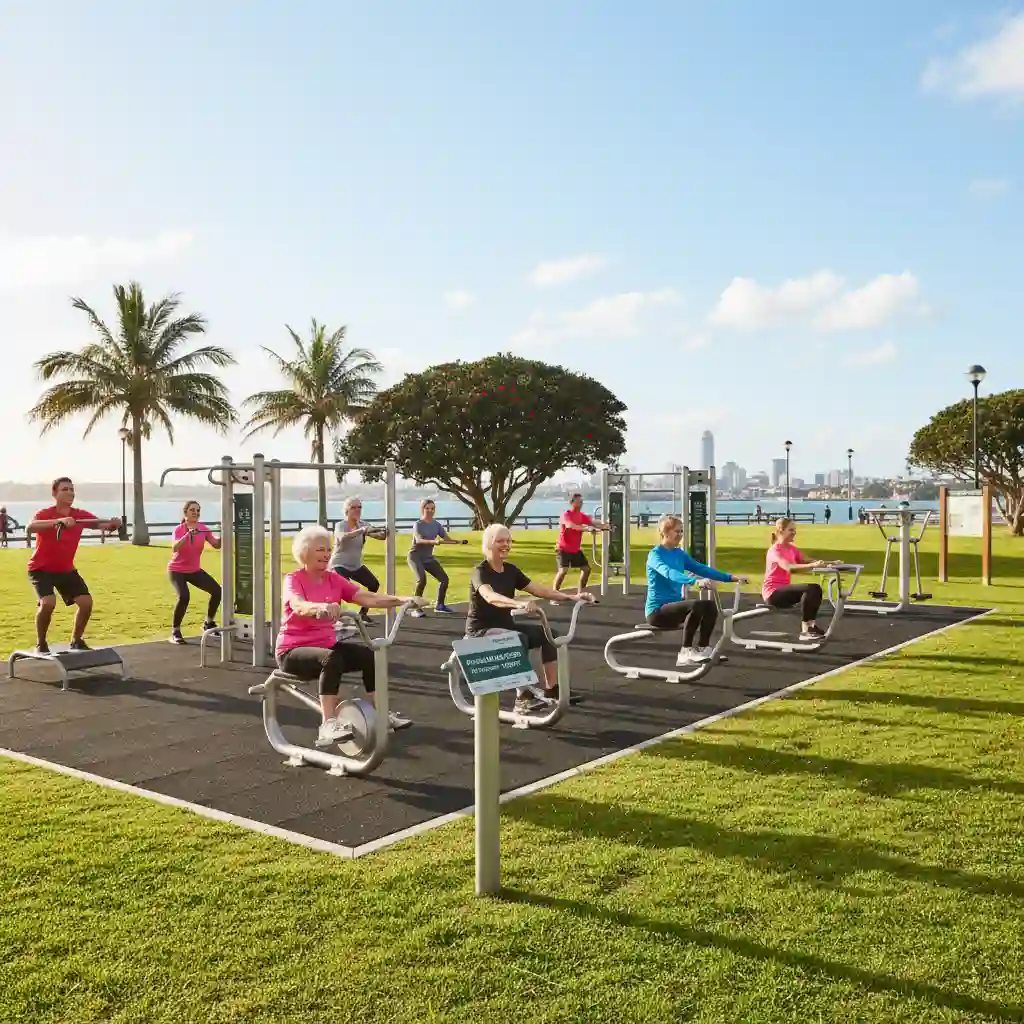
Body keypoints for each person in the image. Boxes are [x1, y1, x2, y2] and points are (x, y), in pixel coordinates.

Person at [276, 525, 425, 746]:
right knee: (331, 658)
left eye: (328, 549)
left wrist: (403, 600)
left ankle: (382, 715)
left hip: (326, 646)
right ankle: (327, 725)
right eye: (319, 550)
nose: (326, 554)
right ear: (305, 552)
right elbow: (298, 605)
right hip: (292, 651)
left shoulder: (333, 578)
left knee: (369, 655)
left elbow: (367, 598)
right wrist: (319, 607)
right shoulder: (294, 579)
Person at [468, 523, 595, 715]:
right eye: (500, 541)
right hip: (480, 632)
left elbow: (539, 590)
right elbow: (490, 596)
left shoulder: (511, 570)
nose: (505, 545)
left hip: (505, 627)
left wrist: (572, 597)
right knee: (519, 639)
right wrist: (518, 604)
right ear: (488, 544)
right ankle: (522, 698)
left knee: (549, 634)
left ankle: (552, 690)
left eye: (508, 541)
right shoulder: (480, 571)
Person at [26, 477, 122, 653]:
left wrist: (114, 524)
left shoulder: (79, 515)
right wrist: (58, 522)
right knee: (48, 603)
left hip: (65, 569)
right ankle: (41, 643)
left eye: (71, 489)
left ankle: (77, 641)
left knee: (86, 603)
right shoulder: (46, 513)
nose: (70, 492)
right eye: (65, 489)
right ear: (54, 493)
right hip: (40, 568)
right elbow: (31, 527)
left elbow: (101, 524)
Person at [646, 514, 748, 666]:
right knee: (696, 605)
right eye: (677, 532)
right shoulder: (655, 555)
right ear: (664, 532)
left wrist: (730, 578)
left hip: (675, 610)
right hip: (657, 612)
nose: (680, 535)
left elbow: (701, 568)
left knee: (709, 605)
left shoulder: (679, 553)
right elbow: (669, 572)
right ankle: (685, 652)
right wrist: (694, 581)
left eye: (681, 532)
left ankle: (703, 648)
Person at [762, 517, 836, 640]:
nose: (794, 532)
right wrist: (812, 566)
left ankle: (811, 626)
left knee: (815, 590)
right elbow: (789, 567)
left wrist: (832, 563)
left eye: (794, 530)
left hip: (783, 591)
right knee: (812, 589)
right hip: (773, 594)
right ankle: (806, 629)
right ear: (781, 530)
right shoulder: (775, 551)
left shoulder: (791, 549)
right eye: (791, 530)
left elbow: (808, 560)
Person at [167, 500, 223, 644]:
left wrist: (223, 533)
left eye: (198, 510)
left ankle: (208, 623)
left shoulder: (203, 528)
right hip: (177, 570)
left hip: (194, 570)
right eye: (192, 510)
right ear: (185, 513)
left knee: (217, 591)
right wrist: (188, 535)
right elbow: (175, 547)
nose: (196, 513)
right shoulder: (179, 529)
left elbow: (216, 545)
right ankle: (175, 631)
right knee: (184, 596)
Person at [328, 496, 387, 625]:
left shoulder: (363, 524)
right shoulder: (341, 525)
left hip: (355, 565)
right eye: (353, 507)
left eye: (359, 507)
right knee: (342, 588)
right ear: (346, 511)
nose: (357, 510)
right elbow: (342, 537)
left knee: (373, 584)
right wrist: (361, 531)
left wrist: (383, 532)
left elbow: (377, 535)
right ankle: (335, 619)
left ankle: (363, 614)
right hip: (339, 564)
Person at [408, 498, 467, 617]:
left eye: (432, 509)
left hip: (428, 558)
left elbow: (447, 539)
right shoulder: (418, 524)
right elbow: (419, 540)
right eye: (427, 508)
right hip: (415, 557)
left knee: (444, 579)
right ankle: (415, 608)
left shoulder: (436, 525)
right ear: (422, 509)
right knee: (422, 580)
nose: (430, 511)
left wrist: (459, 541)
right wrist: (434, 542)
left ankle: (440, 605)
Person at [552, 492, 610, 598]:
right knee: (563, 571)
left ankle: (580, 594)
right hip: (563, 548)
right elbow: (570, 525)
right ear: (572, 502)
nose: (581, 503)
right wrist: (586, 528)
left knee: (586, 569)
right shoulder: (566, 515)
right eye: (578, 501)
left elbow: (593, 523)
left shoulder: (581, 516)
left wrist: (606, 526)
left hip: (575, 550)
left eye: (581, 501)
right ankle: (554, 596)